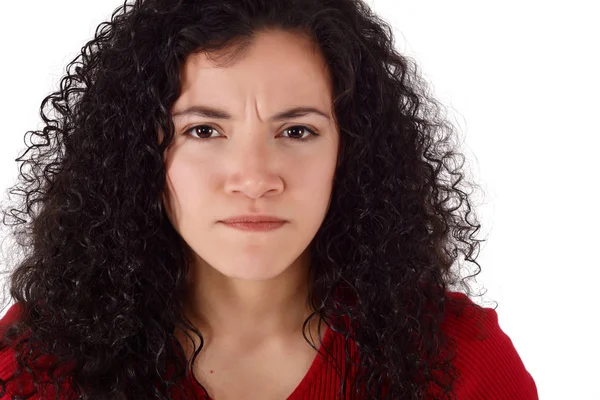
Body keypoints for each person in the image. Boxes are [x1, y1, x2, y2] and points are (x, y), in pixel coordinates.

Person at [0, 0, 538, 399]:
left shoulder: (462, 364)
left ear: (350, 153)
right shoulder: (37, 360)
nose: (255, 178)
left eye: (298, 131)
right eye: (204, 131)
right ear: (139, 155)